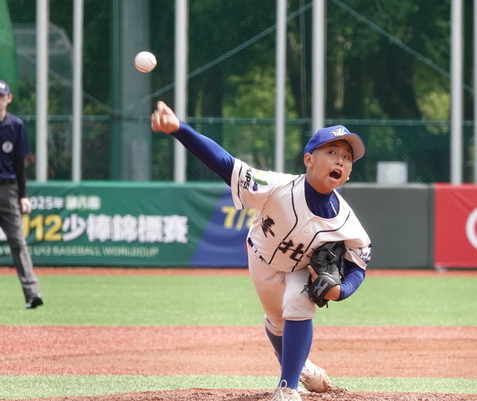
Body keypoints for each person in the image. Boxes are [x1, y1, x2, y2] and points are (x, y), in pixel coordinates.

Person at [151, 101, 371, 401]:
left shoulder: (347, 222)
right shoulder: (277, 187)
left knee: (298, 301)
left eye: (347, 157)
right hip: (261, 259)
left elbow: (359, 264)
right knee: (276, 321)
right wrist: (179, 128)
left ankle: (287, 387)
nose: (340, 161)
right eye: (331, 152)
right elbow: (225, 163)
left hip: (300, 268)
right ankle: (302, 367)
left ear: (349, 173)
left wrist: (342, 291)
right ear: (309, 159)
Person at [0, 80, 43, 310]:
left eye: (1, 96)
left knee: (18, 242)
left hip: (9, 188)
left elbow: (20, 164)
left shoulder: (16, 125)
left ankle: (32, 293)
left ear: (9, 99)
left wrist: (23, 195)